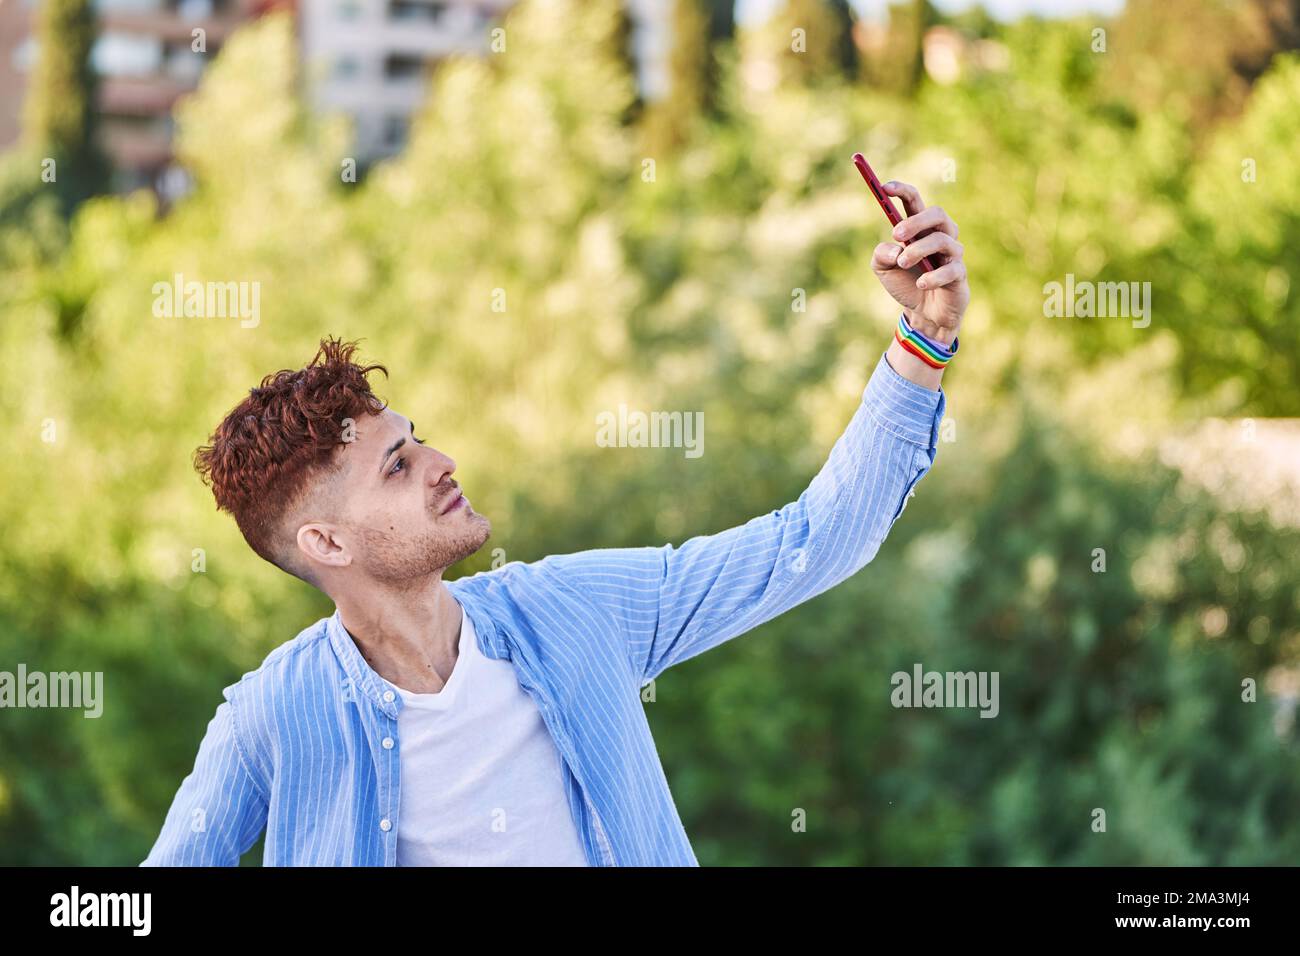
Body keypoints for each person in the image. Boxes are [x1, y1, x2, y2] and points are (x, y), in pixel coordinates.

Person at [141, 183, 969, 866]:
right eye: (397, 466)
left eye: (416, 441)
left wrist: (924, 341)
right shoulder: (273, 718)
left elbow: (809, 543)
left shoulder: (574, 610)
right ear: (326, 543)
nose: (441, 464)